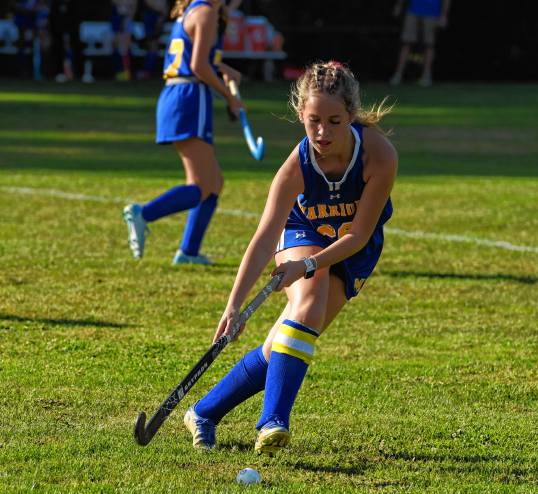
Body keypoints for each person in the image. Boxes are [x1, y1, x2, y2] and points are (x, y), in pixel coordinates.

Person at [182, 61, 397, 454]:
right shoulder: (296, 167)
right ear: (300, 114)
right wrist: (233, 306)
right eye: (313, 120)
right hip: (303, 229)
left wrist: (307, 265)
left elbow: (360, 234)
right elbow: (264, 239)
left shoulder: (378, 155)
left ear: (351, 115)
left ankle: (203, 411)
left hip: (354, 247)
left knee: (287, 342)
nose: (322, 132)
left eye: (334, 121)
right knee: (309, 302)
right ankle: (272, 422)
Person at [123, 0, 243, 265]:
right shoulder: (207, 12)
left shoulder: (194, 10)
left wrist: (225, 70)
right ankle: (143, 213)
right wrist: (229, 98)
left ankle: (188, 252)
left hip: (178, 94)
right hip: (190, 97)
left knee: (213, 183)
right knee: (202, 186)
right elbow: (199, 66)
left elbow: (199, 59)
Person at [389, 0, 450, 87]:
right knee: (406, 43)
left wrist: (444, 15)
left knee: (429, 44)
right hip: (413, 11)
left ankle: (426, 76)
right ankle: (398, 75)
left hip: (432, 12)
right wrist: (398, 5)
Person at [136, 0, 167, 80]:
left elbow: (164, 7)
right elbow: (151, 3)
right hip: (150, 18)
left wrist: (162, 15)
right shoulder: (149, 11)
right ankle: (148, 70)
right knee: (151, 45)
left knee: (154, 46)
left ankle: (149, 70)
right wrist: (159, 9)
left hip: (157, 18)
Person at [111, 0, 138, 81]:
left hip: (127, 19)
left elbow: (133, 5)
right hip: (118, 19)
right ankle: (119, 71)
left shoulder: (128, 20)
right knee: (117, 46)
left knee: (125, 48)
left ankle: (126, 72)